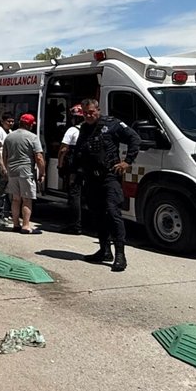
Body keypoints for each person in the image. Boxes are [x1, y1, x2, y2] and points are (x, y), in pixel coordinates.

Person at [71, 97, 142, 271]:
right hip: (91, 178)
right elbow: (80, 151)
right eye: (85, 113)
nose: (88, 116)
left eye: (91, 112)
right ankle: (104, 250)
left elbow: (135, 139)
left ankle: (120, 255)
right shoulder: (84, 128)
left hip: (109, 176)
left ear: (98, 110)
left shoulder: (112, 124)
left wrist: (127, 162)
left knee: (113, 213)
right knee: (97, 215)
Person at [2, 112, 46, 234]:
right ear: (29, 125)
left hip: (12, 171)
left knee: (15, 199)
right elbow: (39, 157)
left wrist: (6, 169)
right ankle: (26, 226)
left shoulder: (9, 137)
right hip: (26, 172)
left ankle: (16, 224)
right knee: (27, 199)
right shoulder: (32, 137)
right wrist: (42, 173)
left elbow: (5, 155)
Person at [57, 103, 86, 235]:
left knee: (74, 194)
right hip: (88, 167)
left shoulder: (72, 130)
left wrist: (60, 165)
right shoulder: (91, 129)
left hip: (75, 167)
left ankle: (75, 225)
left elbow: (63, 149)